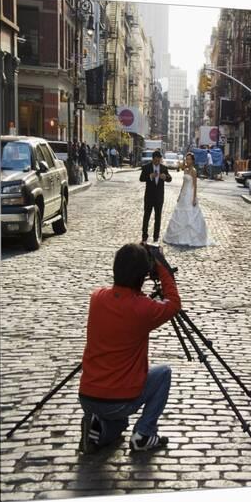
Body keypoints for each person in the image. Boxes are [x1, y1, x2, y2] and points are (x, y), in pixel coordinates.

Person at [78, 243, 181, 453]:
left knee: (119, 424)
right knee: (164, 373)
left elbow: (120, 296)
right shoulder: (144, 309)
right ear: (142, 276)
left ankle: (97, 428)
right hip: (120, 400)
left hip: (88, 395)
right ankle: (144, 434)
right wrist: (162, 267)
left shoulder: (96, 297)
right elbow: (174, 304)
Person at [163, 152, 213, 247]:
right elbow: (183, 183)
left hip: (190, 194)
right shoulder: (185, 170)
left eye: (189, 159)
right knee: (179, 213)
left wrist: (194, 198)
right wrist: (179, 195)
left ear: (193, 160)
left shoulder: (194, 171)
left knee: (191, 214)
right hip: (184, 194)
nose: (188, 160)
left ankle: (191, 237)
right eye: (187, 159)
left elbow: (195, 185)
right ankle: (178, 237)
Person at [140, 150, 172, 243]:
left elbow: (170, 178)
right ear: (153, 159)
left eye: (159, 160)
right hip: (149, 196)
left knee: (158, 217)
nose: (158, 162)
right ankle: (144, 236)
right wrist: (150, 176)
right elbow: (141, 178)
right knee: (146, 216)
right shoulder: (146, 167)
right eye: (156, 160)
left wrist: (165, 177)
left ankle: (156, 237)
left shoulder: (163, 168)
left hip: (159, 197)